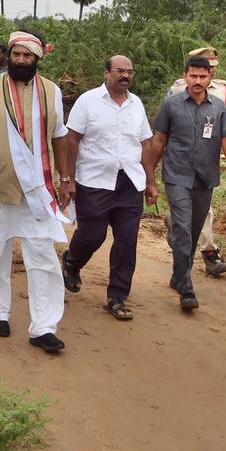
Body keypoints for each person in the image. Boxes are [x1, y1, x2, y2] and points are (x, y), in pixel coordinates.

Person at [0, 30, 72, 352]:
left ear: (38, 58)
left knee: (43, 258)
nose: (21, 61)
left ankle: (43, 327)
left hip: (38, 191)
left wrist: (66, 178)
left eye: (28, 56)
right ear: (9, 55)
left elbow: (59, 136)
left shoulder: (51, 91)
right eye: (17, 55)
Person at [144, 55, 226, 312]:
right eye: (193, 76)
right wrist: (150, 179)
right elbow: (158, 142)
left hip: (205, 178)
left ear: (210, 78)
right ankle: (186, 289)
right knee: (183, 230)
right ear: (185, 76)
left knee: (194, 229)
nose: (197, 81)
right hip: (177, 176)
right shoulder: (172, 105)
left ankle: (178, 275)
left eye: (202, 76)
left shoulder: (218, 107)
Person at [60, 56, 154, 321]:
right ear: (106, 73)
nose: (125, 76)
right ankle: (72, 261)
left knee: (126, 242)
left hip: (129, 183)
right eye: (119, 71)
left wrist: (150, 181)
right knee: (93, 235)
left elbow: (146, 143)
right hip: (95, 180)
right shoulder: (88, 101)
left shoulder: (136, 105)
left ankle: (118, 297)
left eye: (129, 72)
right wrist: (69, 179)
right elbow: (72, 139)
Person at [167, 46, 226, 276]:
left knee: (202, 212)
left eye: (210, 68)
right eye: (195, 71)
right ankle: (206, 255)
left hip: (207, 160)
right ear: (188, 71)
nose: (201, 77)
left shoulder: (224, 90)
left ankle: (183, 235)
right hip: (181, 162)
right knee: (191, 216)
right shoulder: (178, 88)